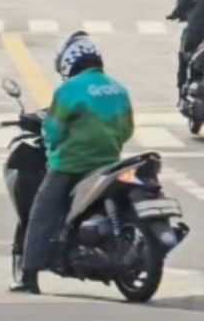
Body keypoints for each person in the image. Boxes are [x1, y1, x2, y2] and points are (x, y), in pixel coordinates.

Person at [12, 32, 134, 294]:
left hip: (71, 164)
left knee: (41, 211)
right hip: (109, 162)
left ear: (68, 62)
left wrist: (54, 147)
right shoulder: (117, 88)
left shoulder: (68, 90)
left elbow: (53, 130)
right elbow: (127, 129)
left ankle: (29, 276)